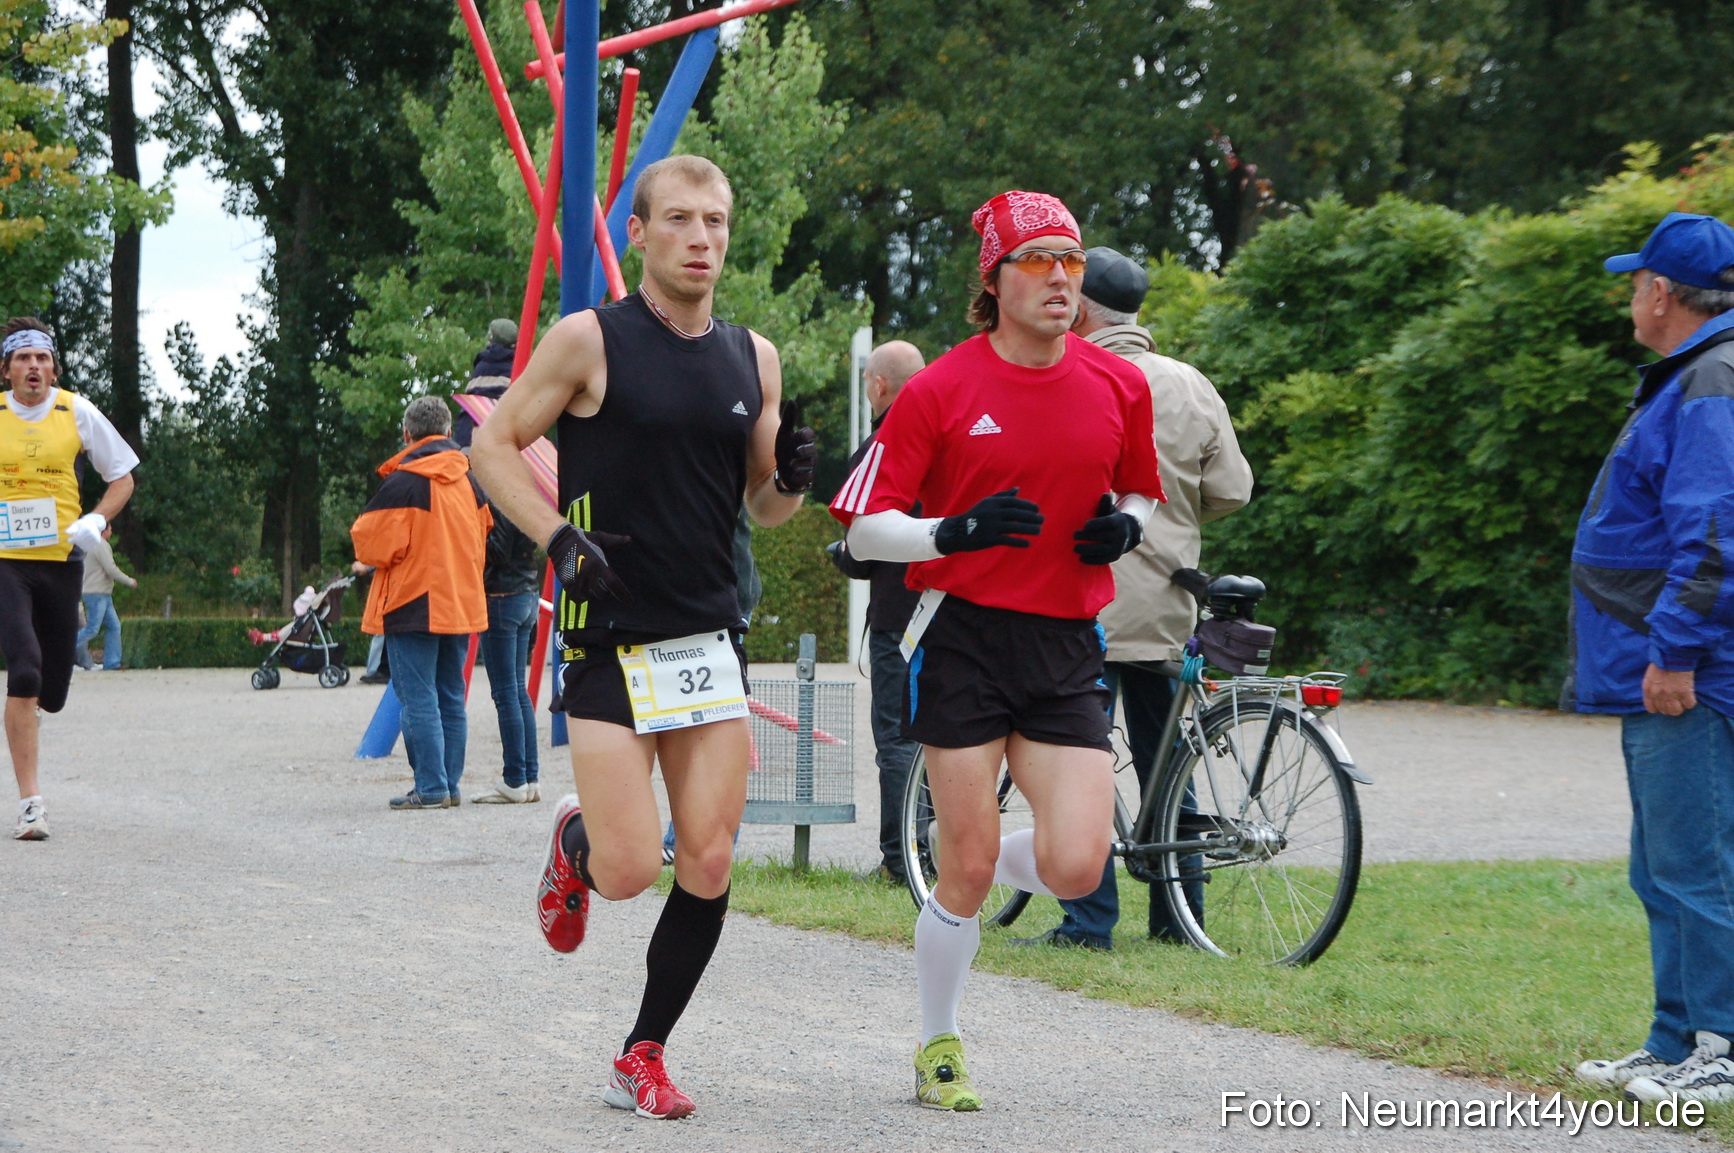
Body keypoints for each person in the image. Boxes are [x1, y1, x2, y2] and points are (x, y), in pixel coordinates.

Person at [471, 154, 816, 1120]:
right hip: (610, 639)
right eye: (680, 221)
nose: (701, 239)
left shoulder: (756, 355)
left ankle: (644, 1050)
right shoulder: (590, 340)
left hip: (708, 639)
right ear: (640, 232)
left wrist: (792, 474)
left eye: (715, 222)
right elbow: (491, 446)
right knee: (628, 870)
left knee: (707, 859)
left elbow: (766, 506)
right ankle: (576, 841)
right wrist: (554, 536)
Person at [830, 191, 1162, 1110]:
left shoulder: (1118, 384)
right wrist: (953, 531)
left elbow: (1142, 493)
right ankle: (940, 1041)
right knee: (968, 870)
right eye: (1039, 259)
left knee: (1080, 864)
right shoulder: (941, 387)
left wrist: (1124, 533)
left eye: (1072, 258)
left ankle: (968, 855)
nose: (1063, 277)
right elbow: (862, 533)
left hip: (1064, 640)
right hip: (964, 636)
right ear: (994, 278)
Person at [1016, 246, 1253, 950]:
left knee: (1076, 755)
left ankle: (1089, 920)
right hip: (1169, 605)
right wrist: (1176, 516)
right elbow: (1233, 489)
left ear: (1082, 308)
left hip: (1086, 598)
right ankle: (1181, 919)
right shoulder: (1189, 383)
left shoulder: (1075, 375)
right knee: (1166, 759)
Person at [1568, 212, 1734, 1104]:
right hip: (1664, 660)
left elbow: (1713, 532)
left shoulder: (1711, 376)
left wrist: (1675, 652)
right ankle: (1675, 1040)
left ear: (1662, 293)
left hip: (1688, 669)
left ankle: (1721, 1045)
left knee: (1697, 863)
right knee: (1663, 860)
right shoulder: (1698, 372)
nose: (1633, 296)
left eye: (1638, 282)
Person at [2, 318, 139, 840]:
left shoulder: (75, 410)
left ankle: (37, 700)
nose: (33, 367)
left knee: (52, 691)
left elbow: (122, 477)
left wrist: (97, 519)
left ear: (53, 368)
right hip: (6, 563)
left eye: (42, 358)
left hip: (62, 564)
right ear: (7, 369)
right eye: (22, 358)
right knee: (26, 670)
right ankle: (30, 803)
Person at [351, 396, 492, 810]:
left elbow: (369, 543)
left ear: (407, 434)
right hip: (460, 601)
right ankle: (449, 786)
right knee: (451, 695)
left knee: (419, 698)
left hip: (413, 603)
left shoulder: (405, 481)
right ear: (449, 433)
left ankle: (430, 788)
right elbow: (486, 533)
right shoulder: (469, 480)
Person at [826, 339, 927, 886]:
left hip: (896, 616)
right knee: (944, 737)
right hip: (949, 612)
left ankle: (898, 859)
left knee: (896, 740)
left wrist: (844, 556)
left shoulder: (878, 447)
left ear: (878, 385)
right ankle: (933, 850)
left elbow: (865, 548)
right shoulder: (951, 433)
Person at [470, 497, 543, 804]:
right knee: (517, 690)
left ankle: (514, 779)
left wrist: (471, 537)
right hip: (526, 594)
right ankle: (529, 778)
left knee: (505, 693)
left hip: (501, 596)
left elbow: (496, 551)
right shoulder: (523, 494)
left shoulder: (496, 498)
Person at [76, 524, 139, 670]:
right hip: (96, 593)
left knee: (114, 626)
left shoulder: (89, 544)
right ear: (103, 531)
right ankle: (63, 650)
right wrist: (129, 581)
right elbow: (111, 569)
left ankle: (112, 663)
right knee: (92, 629)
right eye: (110, 530)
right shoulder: (100, 544)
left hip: (101, 592)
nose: (111, 532)